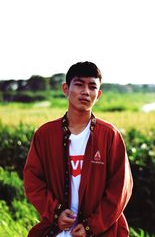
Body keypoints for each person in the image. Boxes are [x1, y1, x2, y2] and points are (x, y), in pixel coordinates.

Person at [23, 61, 133, 237]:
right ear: (66, 89)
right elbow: (32, 180)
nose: (86, 92)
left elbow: (120, 188)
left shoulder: (109, 136)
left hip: (102, 232)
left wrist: (92, 226)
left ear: (99, 94)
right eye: (79, 84)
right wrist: (55, 213)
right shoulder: (45, 135)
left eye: (92, 87)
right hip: (56, 230)